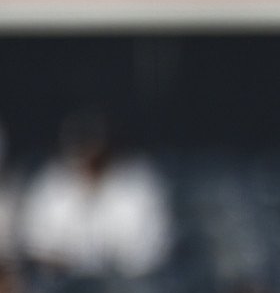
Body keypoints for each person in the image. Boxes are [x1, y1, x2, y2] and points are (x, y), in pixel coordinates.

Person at [18, 115, 170, 276]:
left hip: (129, 283)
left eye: (94, 150)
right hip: (66, 285)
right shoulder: (50, 185)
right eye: (81, 150)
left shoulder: (137, 185)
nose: (88, 158)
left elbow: (154, 248)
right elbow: (36, 245)